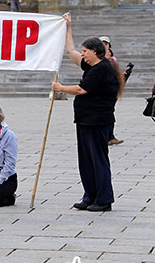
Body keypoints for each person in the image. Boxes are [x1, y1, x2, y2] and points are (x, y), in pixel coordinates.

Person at [52, 13, 125, 212]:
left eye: (85, 51)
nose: (82, 54)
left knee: (98, 159)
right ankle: (90, 196)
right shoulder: (91, 65)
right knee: (86, 160)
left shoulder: (103, 68)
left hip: (97, 121)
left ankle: (103, 198)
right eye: (83, 51)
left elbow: (81, 89)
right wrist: (68, 27)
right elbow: (70, 51)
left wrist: (60, 87)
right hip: (85, 120)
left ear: (95, 52)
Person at [100, 36, 123, 146]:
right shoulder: (96, 58)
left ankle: (110, 136)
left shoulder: (112, 58)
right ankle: (106, 136)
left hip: (111, 89)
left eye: (106, 44)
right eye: (102, 43)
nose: (105, 45)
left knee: (110, 113)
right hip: (101, 90)